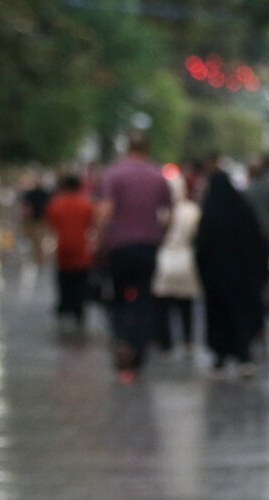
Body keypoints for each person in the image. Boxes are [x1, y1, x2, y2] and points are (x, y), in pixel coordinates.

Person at [93, 131, 172, 381]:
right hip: (148, 245)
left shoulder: (114, 174)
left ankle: (122, 340)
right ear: (147, 149)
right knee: (144, 299)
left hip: (119, 246)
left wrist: (98, 238)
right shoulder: (157, 175)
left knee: (117, 297)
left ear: (127, 149)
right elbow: (169, 214)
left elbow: (105, 211)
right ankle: (138, 354)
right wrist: (161, 237)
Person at [195, 170, 269, 377]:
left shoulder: (210, 213)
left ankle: (220, 357)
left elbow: (201, 247)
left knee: (218, 317)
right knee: (242, 316)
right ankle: (244, 356)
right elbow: (259, 243)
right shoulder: (243, 210)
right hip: (243, 279)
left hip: (216, 280)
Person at [152, 171, 202, 355]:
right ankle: (188, 340)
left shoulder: (160, 210)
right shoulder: (192, 210)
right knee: (186, 305)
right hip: (187, 259)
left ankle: (166, 344)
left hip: (164, 258)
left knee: (163, 306)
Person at [45, 174, 95, 328]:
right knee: (81, 279)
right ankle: (78, 307)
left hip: (63, 247)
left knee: (64, 278)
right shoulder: (85, 204)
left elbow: (51, 223)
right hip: (82, 247)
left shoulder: (57, 203)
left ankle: (65, 305)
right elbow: (92, 223)